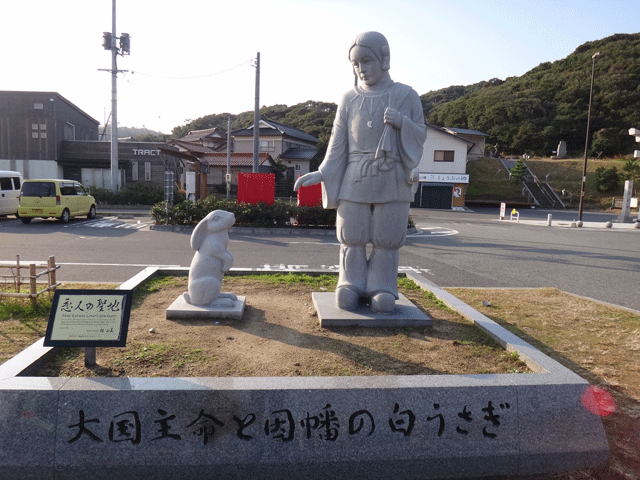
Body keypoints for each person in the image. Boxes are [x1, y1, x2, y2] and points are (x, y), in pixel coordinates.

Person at [294, 31, 426, 313]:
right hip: (355, 175)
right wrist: (322, 173)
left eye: (366, 60)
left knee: (387, 236)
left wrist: (403, 123)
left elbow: (420, 135)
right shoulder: (349, 99)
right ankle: (350, 282)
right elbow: (338, 143)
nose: (361, 69)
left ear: (384, 58)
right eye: (355, 64)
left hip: (391, 174)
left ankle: (383, 286)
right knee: (351, 233)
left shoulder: (406, 96)